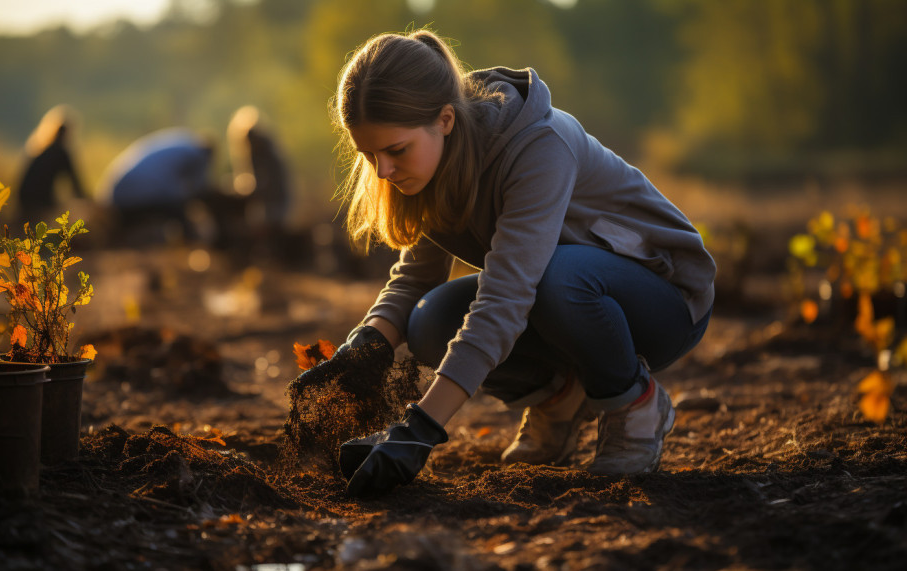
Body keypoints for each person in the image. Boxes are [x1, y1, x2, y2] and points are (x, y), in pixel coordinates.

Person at [301, 30, 717, 497]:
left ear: (444, 120)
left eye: (395, 151)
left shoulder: (538, 145)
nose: (383, 172)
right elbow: (414, 280)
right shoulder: (431, 165)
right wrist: (361, 349)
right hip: (562, 293)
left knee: (558, 277)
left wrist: (419, 429)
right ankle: (557, 399)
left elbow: (506, 296)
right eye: (368, 155)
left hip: (663, 301)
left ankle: (634, 403)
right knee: (429, 321)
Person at [97, 128, 220, 244]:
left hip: (115, 194)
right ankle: (194, 242)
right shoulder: (196, 154)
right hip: (139, 193)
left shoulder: (182, 141)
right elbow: (201, 187)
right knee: (177, 206)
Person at [227, 106, 292, 258]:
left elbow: (267, 183)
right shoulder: (261, 149)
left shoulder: (265, 151)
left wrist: (247, 191)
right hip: (271, 199)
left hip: (276, 199)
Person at [16, 105, 87, 226]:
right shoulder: (61, 152)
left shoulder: (38, 149)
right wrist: (89, 202)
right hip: (41, 202)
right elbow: (75, 184)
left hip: (24, 198)